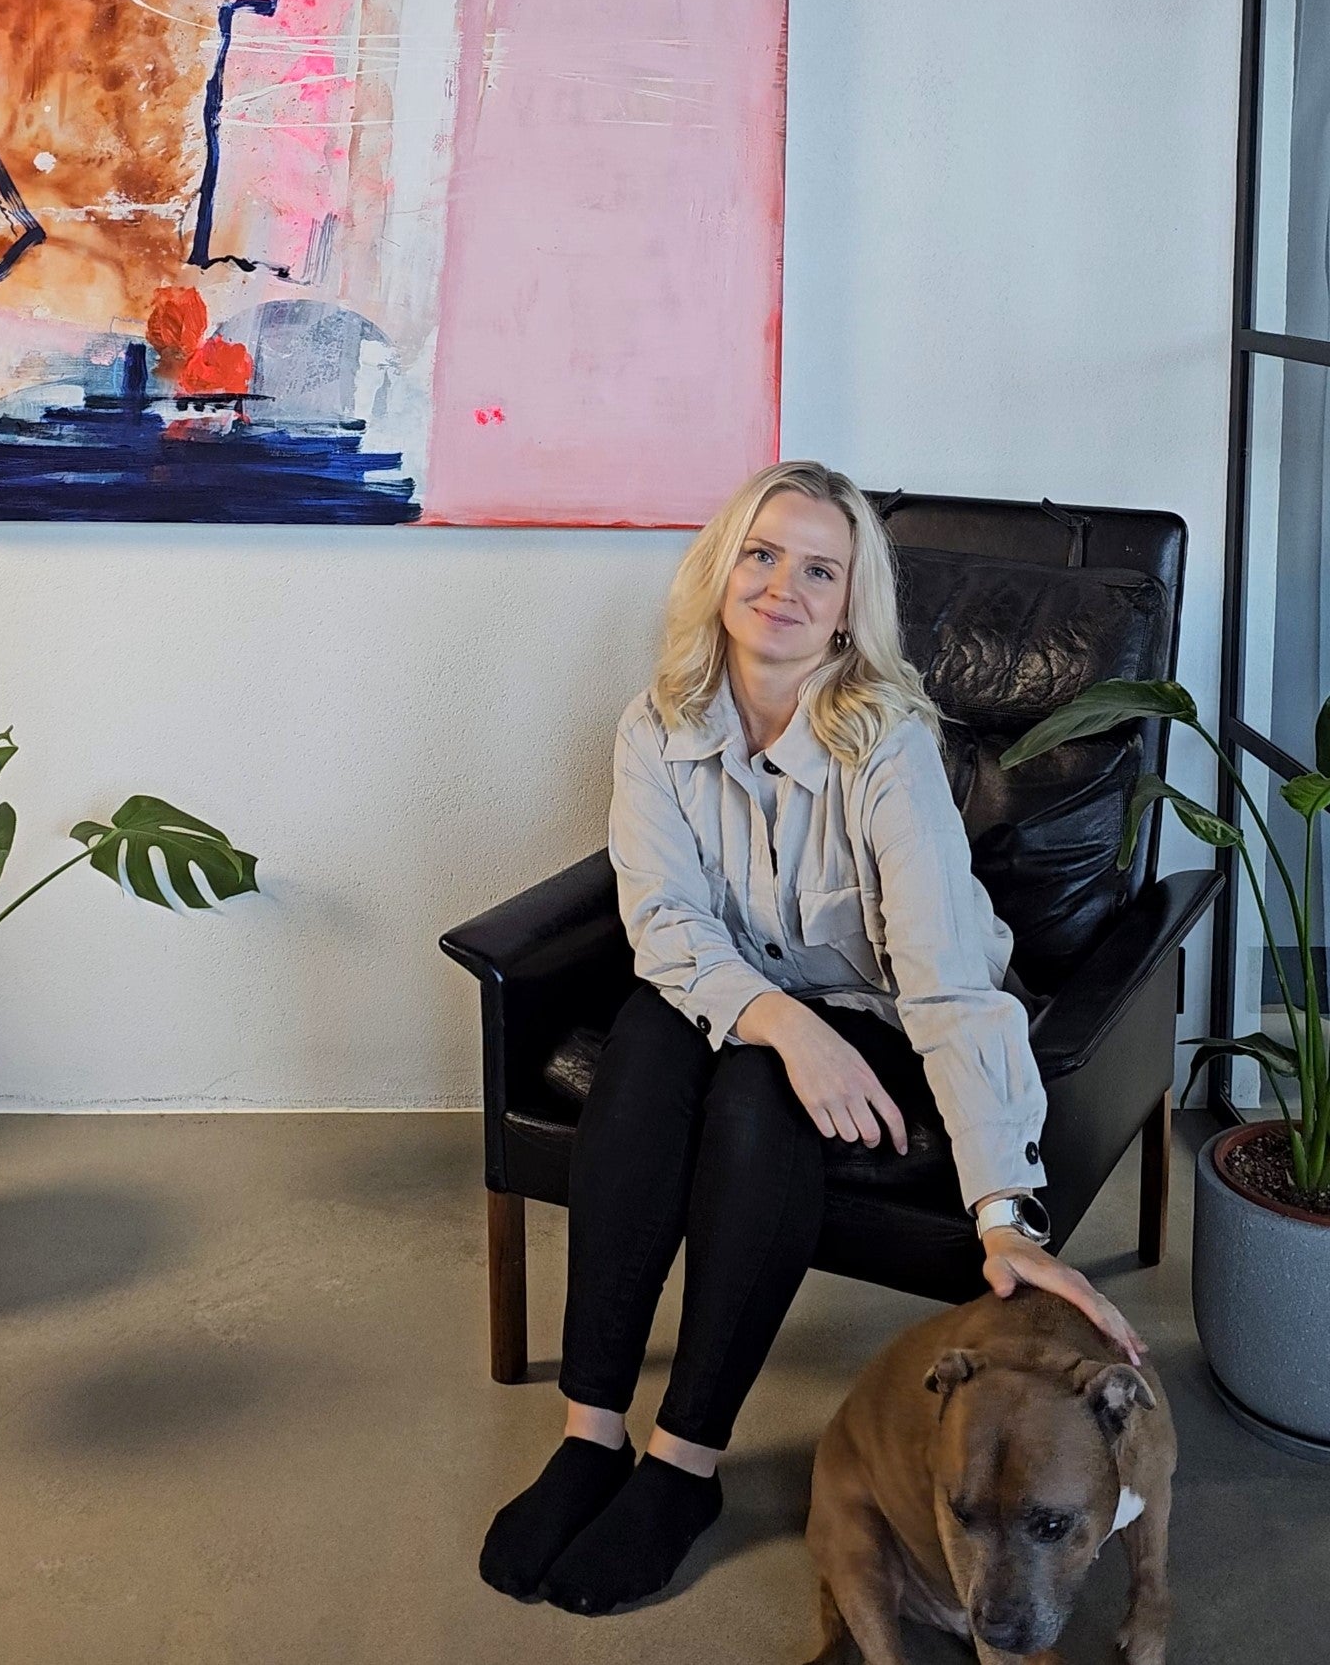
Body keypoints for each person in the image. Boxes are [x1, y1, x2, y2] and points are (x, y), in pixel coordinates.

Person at [479, 461, 1144, 1617]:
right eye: (762, 554)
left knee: (754, 1099)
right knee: (647, 1046)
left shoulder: (885, 740)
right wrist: (779, 1022)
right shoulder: (659, 724)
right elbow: (665, 921)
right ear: (723, 570)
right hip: (753, 1003)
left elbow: (942, 972)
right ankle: (591, 1433)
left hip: (887, 1014)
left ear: (848, 610)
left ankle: (683, 1462)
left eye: (819, 570)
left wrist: (1001, 1209)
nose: (784, 585)